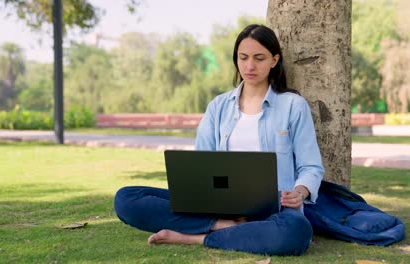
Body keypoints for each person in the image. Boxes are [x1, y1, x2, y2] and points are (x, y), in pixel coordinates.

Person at [114, 24, 324, 256]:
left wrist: (300, 191)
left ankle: (194, 237)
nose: (250, 66)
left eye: (259, 58)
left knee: (296, 231)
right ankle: (222, 226)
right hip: (219, 206)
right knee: (126, 198)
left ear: (274, 60)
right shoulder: (218, 107)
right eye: (243, 58)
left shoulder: (293, 106)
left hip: (275, 206)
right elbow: (202, 164)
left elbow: (311, 167)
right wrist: (206, 203)